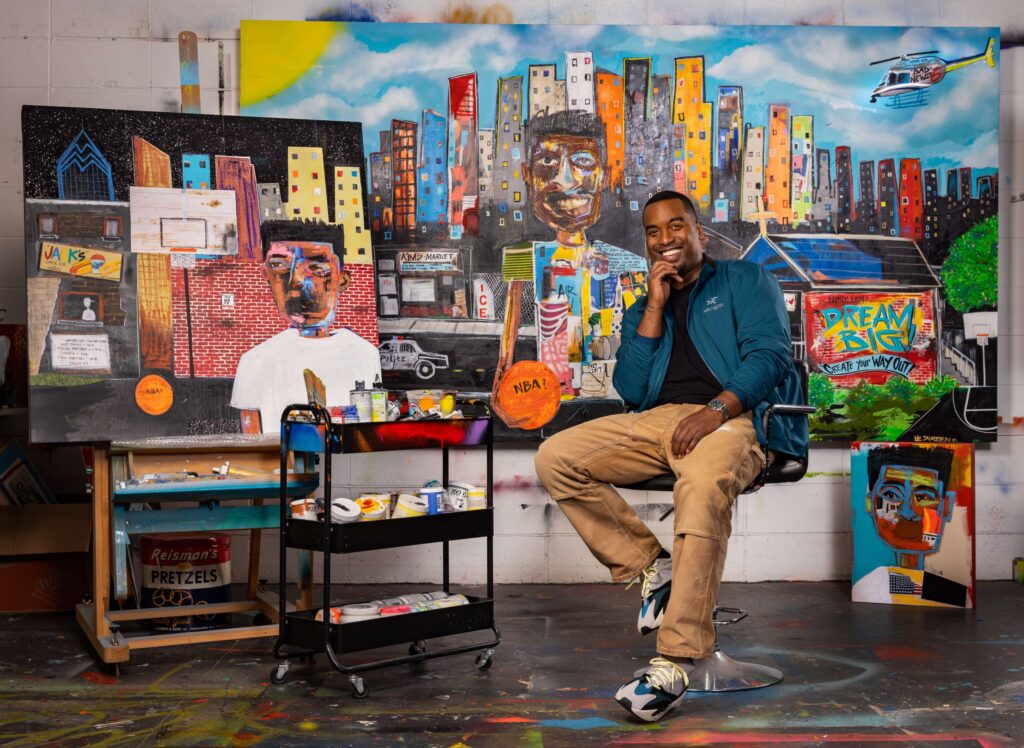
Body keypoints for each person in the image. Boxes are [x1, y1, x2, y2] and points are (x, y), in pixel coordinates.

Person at [535, 190, 806, 722]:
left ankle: (675, 660)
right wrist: (655, 307)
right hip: (659, 422)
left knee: (701, 489)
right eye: (654, 232)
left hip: (733, 418)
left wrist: (714, 411)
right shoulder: (645, 305)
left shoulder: (746, 281)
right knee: (555, 457)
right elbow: (632, 390)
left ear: (699, 231)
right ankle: (650, 567)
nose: (666, 239)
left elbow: (770, 358)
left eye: (676, 226)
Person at [520, 110, 647, 397]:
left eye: (583, 161)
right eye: (548, 161)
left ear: (605, 176)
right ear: (527, 175)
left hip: (614, 396)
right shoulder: (522, 270)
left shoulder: (629, 266)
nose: (565, 180)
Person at [231, 220, 381, 434]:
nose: (296, 280)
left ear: (343, 279)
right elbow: (252, 445)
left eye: (317, 267)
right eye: (279, 265)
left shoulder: (368, 357)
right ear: (266, 276)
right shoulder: (255, 361)